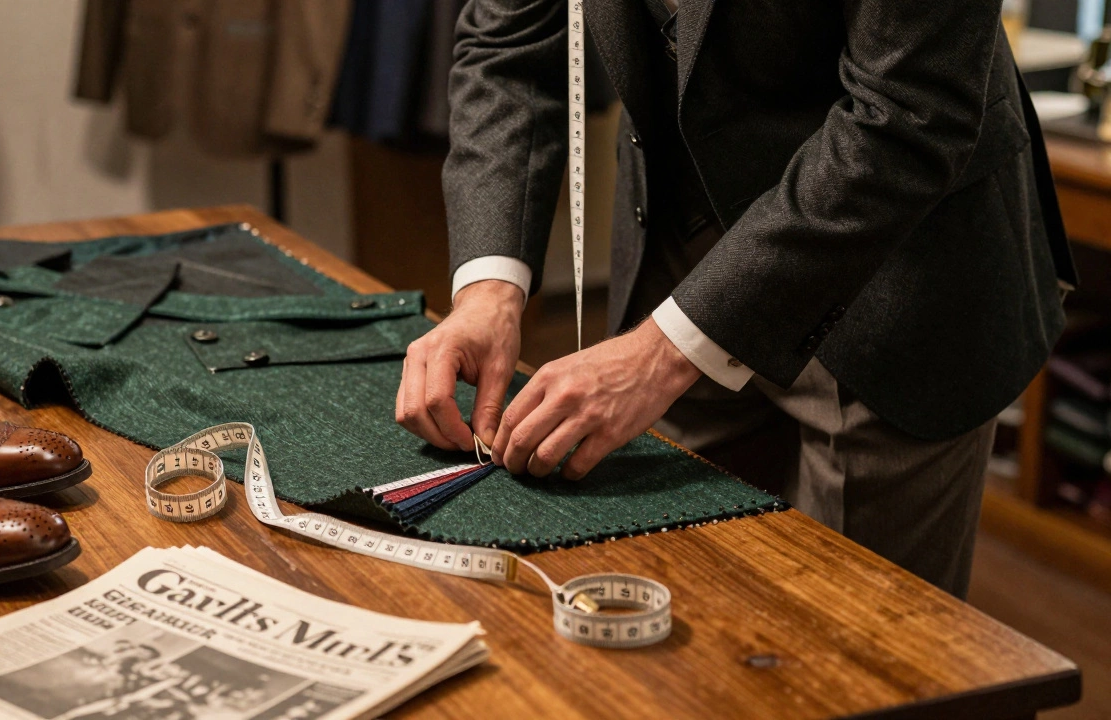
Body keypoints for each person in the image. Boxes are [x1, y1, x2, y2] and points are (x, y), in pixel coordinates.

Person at [395, 0, 1077, 598]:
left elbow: (909, 114)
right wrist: (488, 289)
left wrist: (661, 355)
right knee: (674, 601)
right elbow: (510, 45)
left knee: (858, 664)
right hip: (679, 248)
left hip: (896, 272)